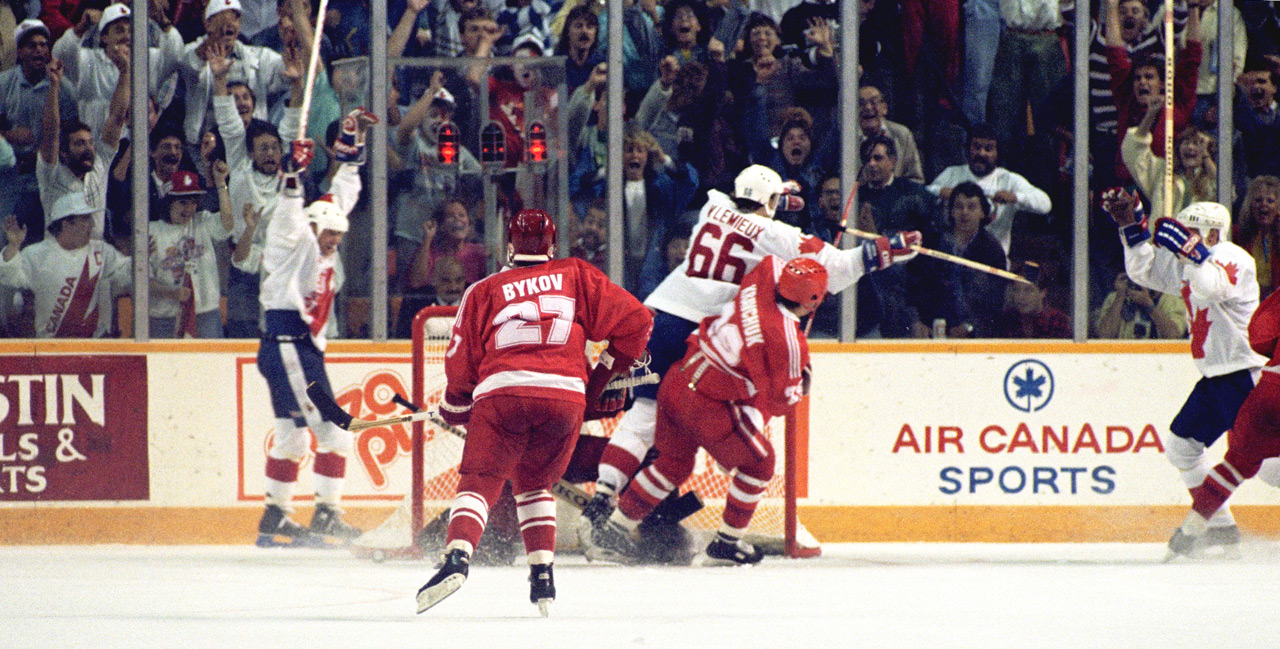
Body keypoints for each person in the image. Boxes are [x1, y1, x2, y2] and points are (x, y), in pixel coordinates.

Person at [585, 164, 920, 529]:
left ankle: (604, 491)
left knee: (645, 414)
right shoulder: (777, 234)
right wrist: (888, 249)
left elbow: (747, 200)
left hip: (660, 315)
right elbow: (837, 268)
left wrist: (783, 194)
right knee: (696, 431)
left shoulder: (713, 203)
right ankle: (678, 515)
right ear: (770, 201)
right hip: (697, 332)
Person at [415, 209, 653, 616]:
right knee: (534, 482)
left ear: (509, 246)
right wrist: (594, 383)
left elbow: (460, 361)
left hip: (503, 393)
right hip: (565, 399)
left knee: (481, 480)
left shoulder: (484, 290)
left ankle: (457, 557)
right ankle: (542, 575)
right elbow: (638, 321)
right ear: (553, 246)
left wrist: (455, 407)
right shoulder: (575, 274)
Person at [591, 255, 824, 565]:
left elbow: (772, 259)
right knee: (760, 464)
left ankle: (614, 531)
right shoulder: (788, 341)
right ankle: (727, 543)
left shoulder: (763, 279)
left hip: (678, 379)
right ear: (812, 302)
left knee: (673, 464)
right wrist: (800, 384)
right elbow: (781, 401)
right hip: (707, 401)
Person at [1107, 193, 1266, 554]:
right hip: (1217, 377)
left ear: (1212, 234)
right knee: (1181, 448)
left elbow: (1209, 287)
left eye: (1192, 231)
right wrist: (1131, 229)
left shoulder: (1233, 258)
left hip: (1247, 376)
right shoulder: (1192, 260)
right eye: (1182, 230)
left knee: (1272, 470)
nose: (1184, 236)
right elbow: (1144, 273)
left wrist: (1191, 252)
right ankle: (1222, 528)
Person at [253, 113, 376, 546]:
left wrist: (351, 146)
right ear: (314, 226)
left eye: (338, 240)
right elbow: (290, 210)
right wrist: (291, 174)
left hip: (296, 349)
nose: (332, 244)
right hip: (289, 347)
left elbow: (342, 195)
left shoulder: (324, 228)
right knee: (335, 432)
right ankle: (325, 514)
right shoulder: (292, 237)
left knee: (293, 436)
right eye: (329, 236)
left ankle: (276, 519)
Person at [1166, 283, 1280, 558]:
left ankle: (1192, 531)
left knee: (1236, 464)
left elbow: (1260, 334)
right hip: (1232, 377)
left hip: (1270, 388)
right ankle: (1216, 529)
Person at [0, 192, 132, 338]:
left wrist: (142, 257)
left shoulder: (102, 250)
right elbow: (10, 279)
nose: (92, 224)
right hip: (50, 347)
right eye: (85, 219)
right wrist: (13, 246)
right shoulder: (36, 254)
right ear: (66, 223)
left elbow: (127, 276)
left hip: (94, 345)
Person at [926, 123, 1052, 256]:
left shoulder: (1008, 179)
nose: (981, 153)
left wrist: (1015, 197)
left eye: (988, 149)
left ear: (997, 153)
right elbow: (923, 195)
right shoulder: (952, 173)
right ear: (968, 149)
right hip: (954, 259)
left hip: (993, 263)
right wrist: (940, 192)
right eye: (976, 147)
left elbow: (1045, 204)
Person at [147, 167, 234, 339]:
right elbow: (141, 279)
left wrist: (221, 184)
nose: (189, 209)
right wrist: (170, 293)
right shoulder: (151, 231)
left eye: (193, 202)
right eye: (183, 203)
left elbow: (228, 224)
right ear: (168, 202)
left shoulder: (202, 222)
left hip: (205, 311)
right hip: (165, 316)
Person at [1094, 271, 1188, 339]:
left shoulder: (1172, 301)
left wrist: (1149, 305)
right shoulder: (1115, 298)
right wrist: (1120, 297)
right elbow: (1104, 335)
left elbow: (1174, 335)